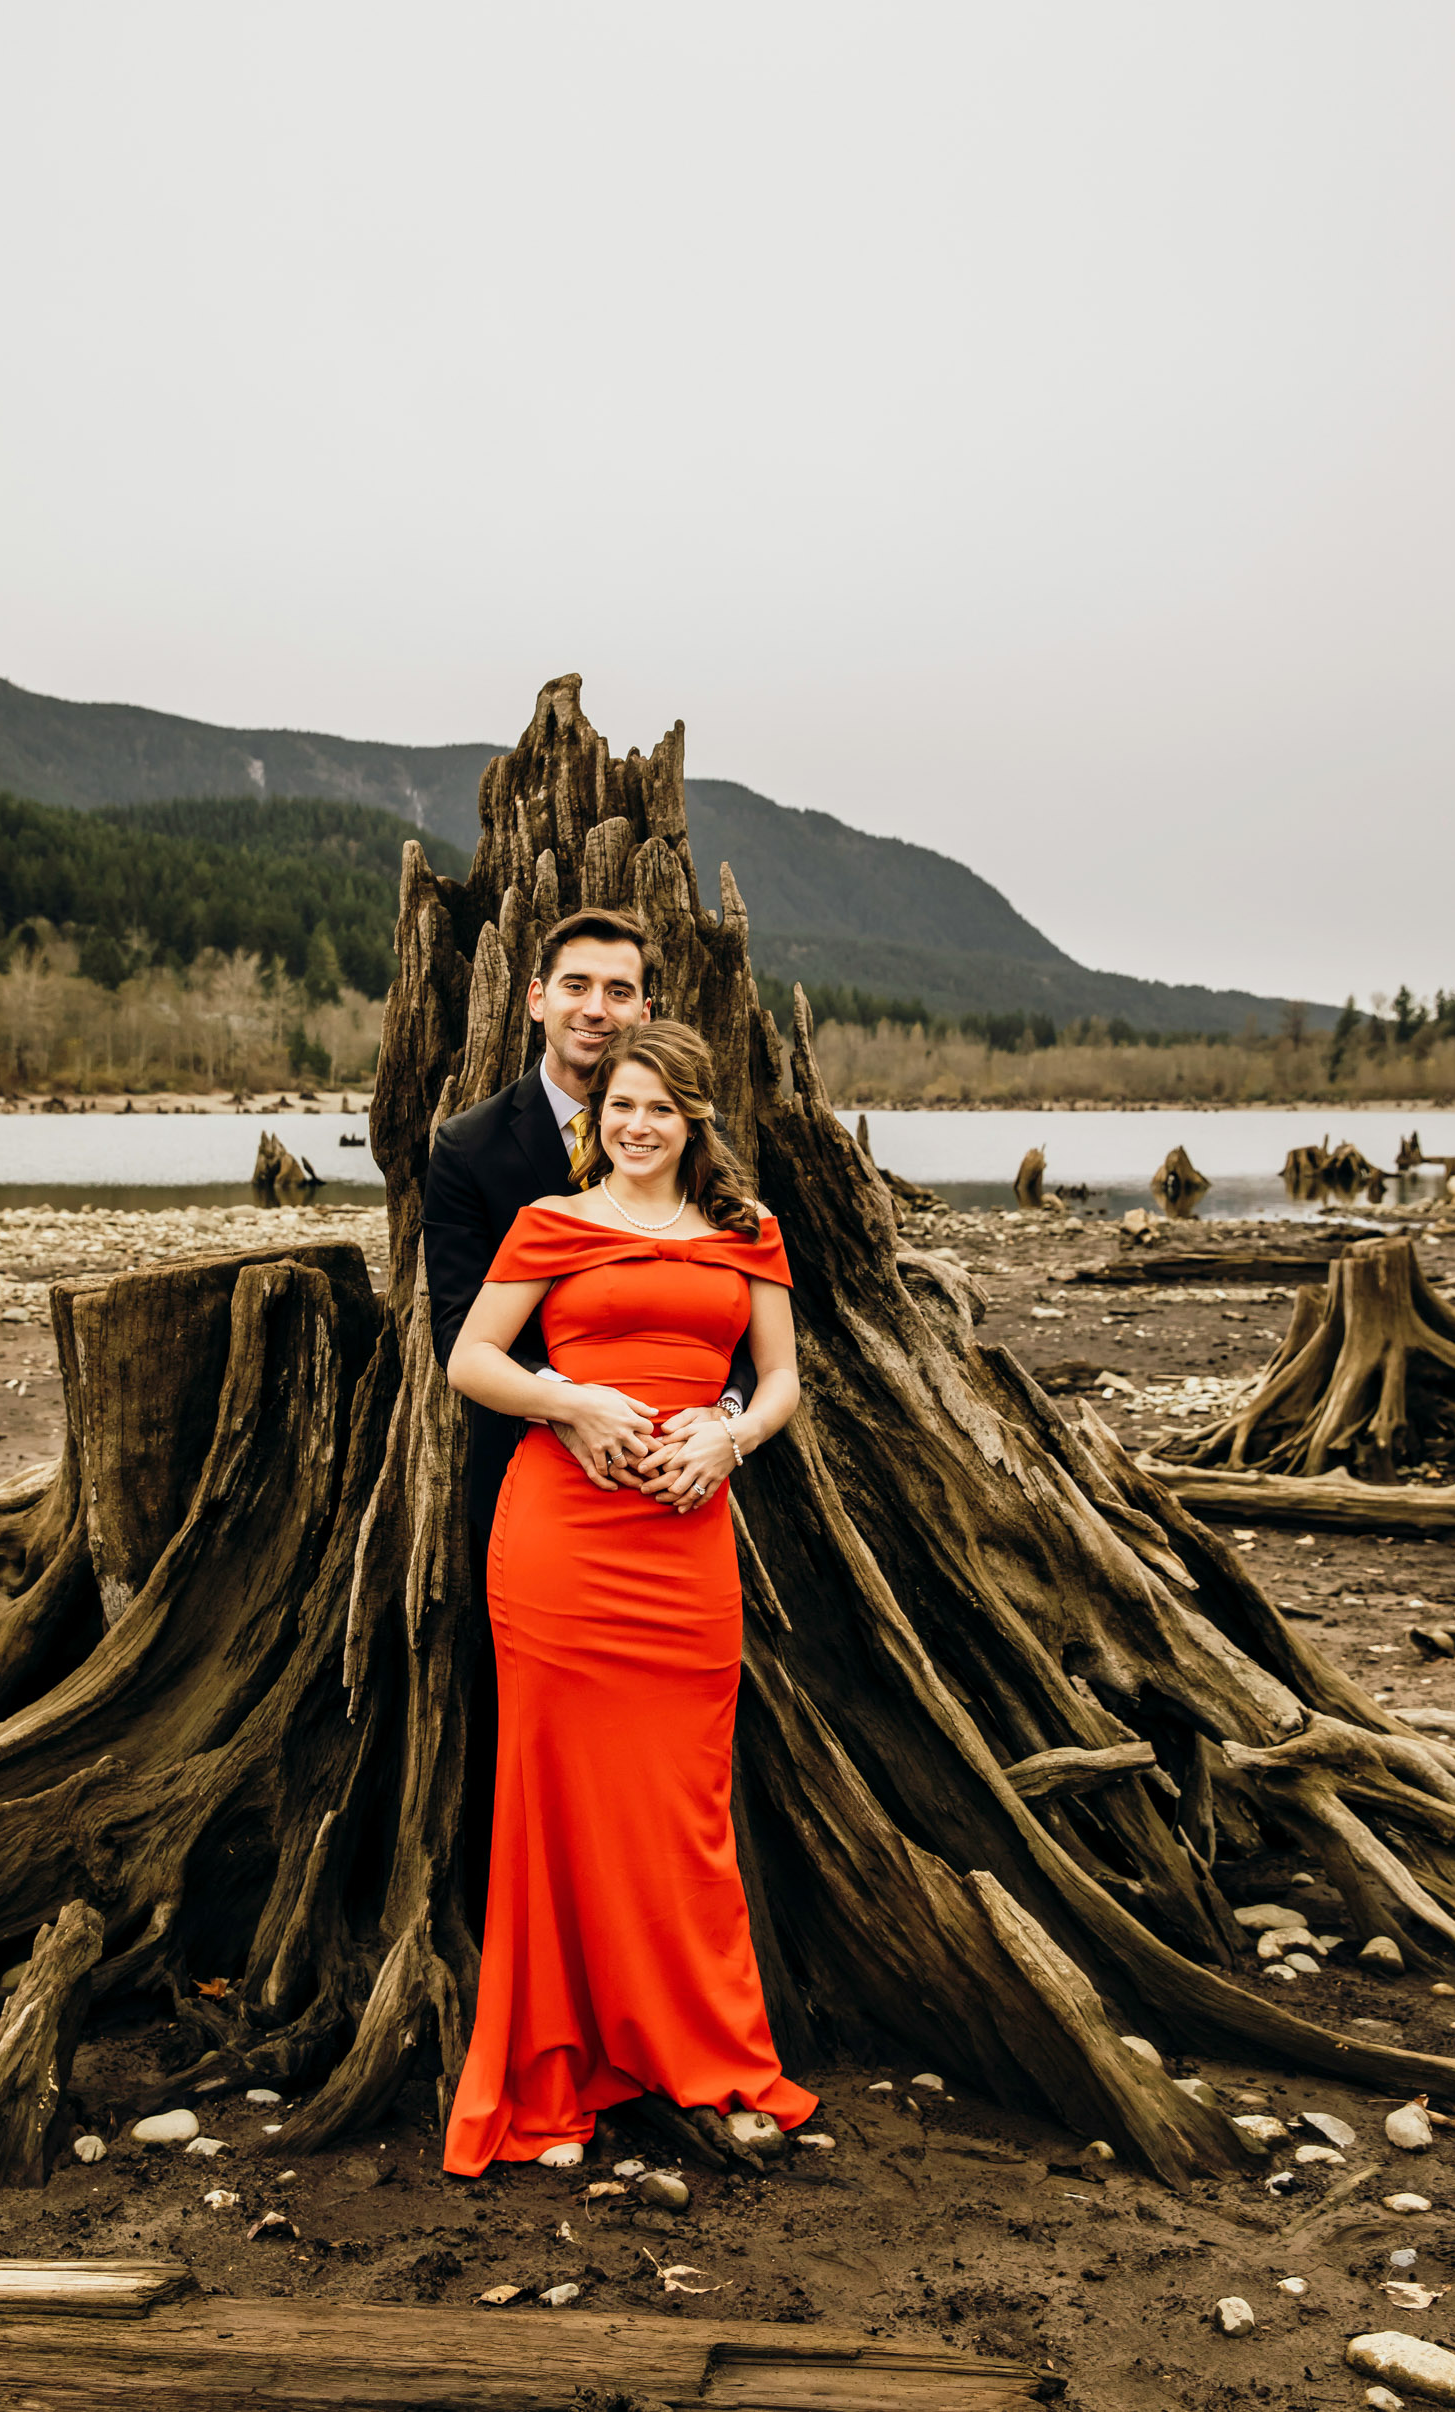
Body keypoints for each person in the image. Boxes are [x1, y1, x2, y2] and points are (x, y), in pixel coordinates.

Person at [440, 1017, 815, 2175]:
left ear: (692, 1118)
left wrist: (730, 1435)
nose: (637, 1126)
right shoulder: (549, 1223)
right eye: (618, 1107)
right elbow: (471, 1358)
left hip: (685, 1535)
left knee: (683, 1806)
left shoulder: (747, 1233)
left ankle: (710, 2053)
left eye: (658, 1108)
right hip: (560, 1542)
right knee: (553, 1805)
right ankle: (556, 2063)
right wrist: (571, 1401)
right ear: (595, 1119)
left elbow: (783, 1377)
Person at [422, 909, 755, 1916]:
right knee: (535, 1743)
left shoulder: (701, 1153)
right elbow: (458, 1333)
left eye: (618, 991)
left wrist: (727, 1420)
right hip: (539, 1489)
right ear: (534, 999)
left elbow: (736, 1317)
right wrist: (566, 1406)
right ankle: (537, 1958)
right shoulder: (472, 1149)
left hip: (681, 1492)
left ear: (644, 1007)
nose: (594, 1008)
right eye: (575, 985)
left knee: (674, 1754)